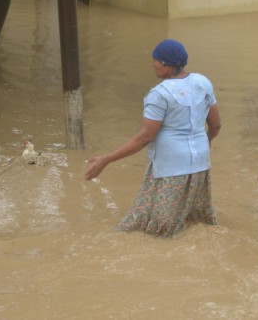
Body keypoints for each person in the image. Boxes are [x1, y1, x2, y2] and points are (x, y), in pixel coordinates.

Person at [84, 39, 221, 237]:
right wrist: (204, 143)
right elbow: (216, 125)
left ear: (165, 64)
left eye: (155, 60)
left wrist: (107, 159)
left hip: (171, 167)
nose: (152, 64)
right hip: (201, 162)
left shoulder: (159, 94)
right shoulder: (203, 83)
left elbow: (145, 137)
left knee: (157, 228)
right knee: (195, 219)